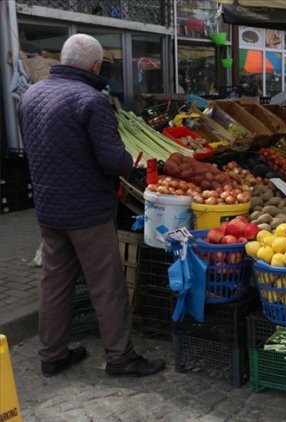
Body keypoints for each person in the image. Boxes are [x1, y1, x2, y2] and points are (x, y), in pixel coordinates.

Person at [17, 34, 166, 377]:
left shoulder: (31, 95)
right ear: (96, 66)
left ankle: (51, 354)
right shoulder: (90, 100)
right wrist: (131, 163)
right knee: (107, 285)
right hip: (87, 212)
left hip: (49, 208)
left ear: (62, 59)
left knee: (55, 281)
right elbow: (113, 160)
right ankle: (120, 357)